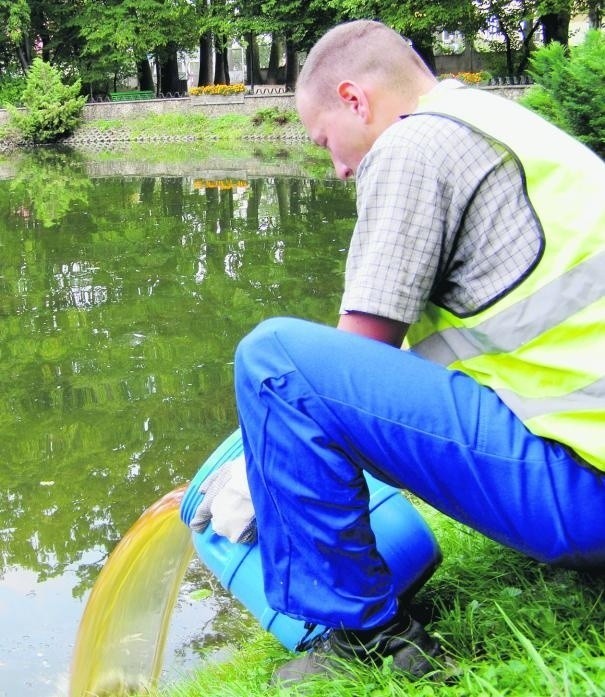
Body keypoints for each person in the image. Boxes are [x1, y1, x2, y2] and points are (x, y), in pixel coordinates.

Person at [192, 19, 605, 685]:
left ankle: (366, 638)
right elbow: (390, 381)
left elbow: (347, 359)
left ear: (355, 99)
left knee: (273, 357)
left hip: (588, 494)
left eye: (326, 142)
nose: (337, 167)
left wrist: (254, 477)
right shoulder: (492, 121)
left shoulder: (414, 144)